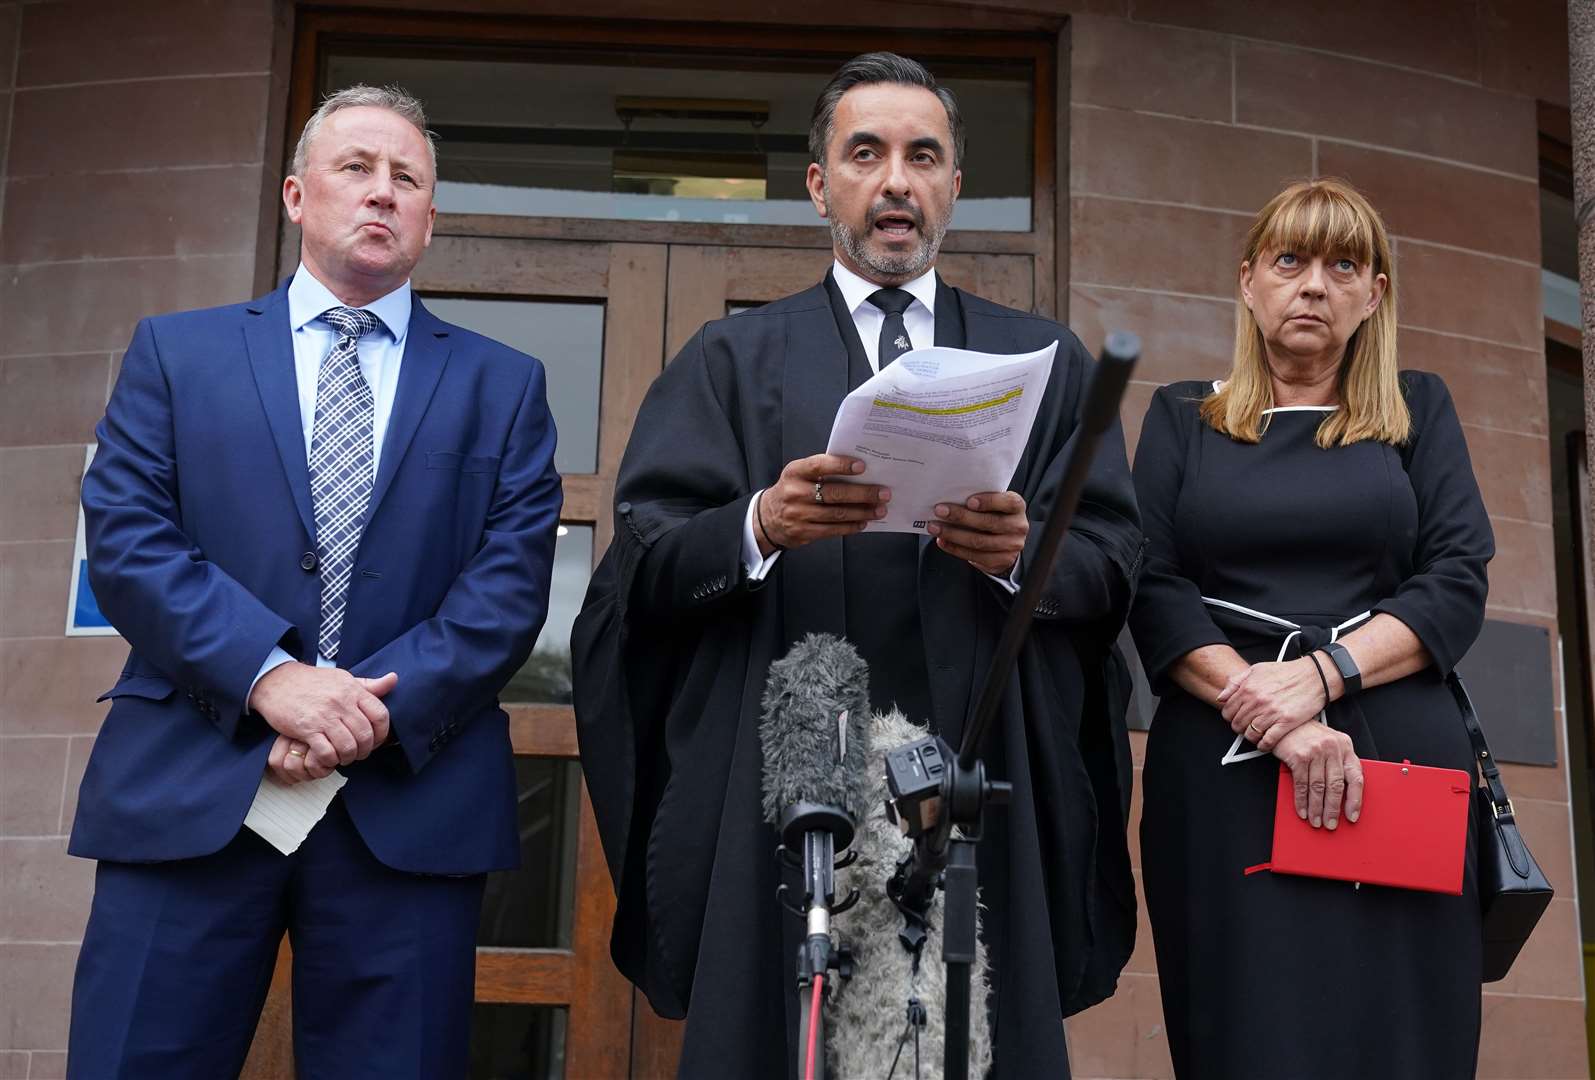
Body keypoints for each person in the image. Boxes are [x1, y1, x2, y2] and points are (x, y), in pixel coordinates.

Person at [572, 52, 1142, 1078]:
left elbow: (1111, 568)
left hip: (977, 777)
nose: (895, 182)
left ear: (953, 185)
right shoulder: (728, 362)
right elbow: (644, 566)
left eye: (923, 156)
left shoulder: (1041, 360)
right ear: (818, 184)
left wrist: (1022, 559)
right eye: (864, 153)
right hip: (789, 790)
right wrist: (758, 523)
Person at [66, 85, 562, 1078]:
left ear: (429, 217)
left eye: (405, 178)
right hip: (195, 781)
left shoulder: (501, 385)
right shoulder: (176, 353)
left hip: (405, 806)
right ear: (296, 195)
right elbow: (128, 541)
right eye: (356, 169)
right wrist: (267, 680)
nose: (381, 194)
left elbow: (505, 588)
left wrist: (355, 715)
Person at [1128, 178, 1493, 1078]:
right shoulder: (1183, 418)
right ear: (1248, 281)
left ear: (1373, 295)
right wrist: (1276, 715)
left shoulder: (1416, 410)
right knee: (1246, 1031)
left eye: (1343, 266)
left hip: (1396, 765)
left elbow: (1455, 580)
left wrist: (1322, 676)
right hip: (1225, 774)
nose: (1313, 286)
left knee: (1400, 1040)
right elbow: (1150, 586)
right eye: (1289, 261)